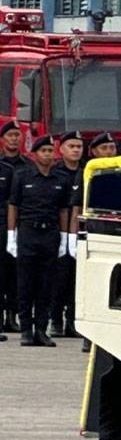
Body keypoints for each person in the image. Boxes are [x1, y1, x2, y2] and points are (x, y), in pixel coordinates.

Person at [8, 135, 70, 347]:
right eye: (43, 151)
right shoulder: (22, 176)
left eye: (50, 151)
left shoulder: (59, 179)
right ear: (35, 154)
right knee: (25, 284)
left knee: (46, 285)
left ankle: (42, 330)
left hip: (49, 234)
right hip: (28, 233)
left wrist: (64, 238)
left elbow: (63, 210)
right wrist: (11, 236)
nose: (47, 155)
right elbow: (13, 205)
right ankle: (26, 329)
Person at [79, 132, 117, 354]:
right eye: (105, 148)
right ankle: (88, 336)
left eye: (112, 148)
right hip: (94, 236)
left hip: (116, 237)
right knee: (91, 287)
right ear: (93, 151)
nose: (110, 152)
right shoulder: (90, 174)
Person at [49, 131, 84, 338]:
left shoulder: (86, 171)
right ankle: (56, 321)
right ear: (61, 149)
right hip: (58, 234)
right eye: (72, 146)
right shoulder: (55, 173)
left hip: (79, 234)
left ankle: (72, 321)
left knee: (75, 281)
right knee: (58, 280)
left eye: (79, 146)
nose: (76, 150)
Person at [0, 119, 28, 334]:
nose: (14, 139)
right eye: (10, 135)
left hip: (20, 225)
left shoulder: (27, 166)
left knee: (15, 274)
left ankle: (12, 315)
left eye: (17, 135)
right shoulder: (3, 165)